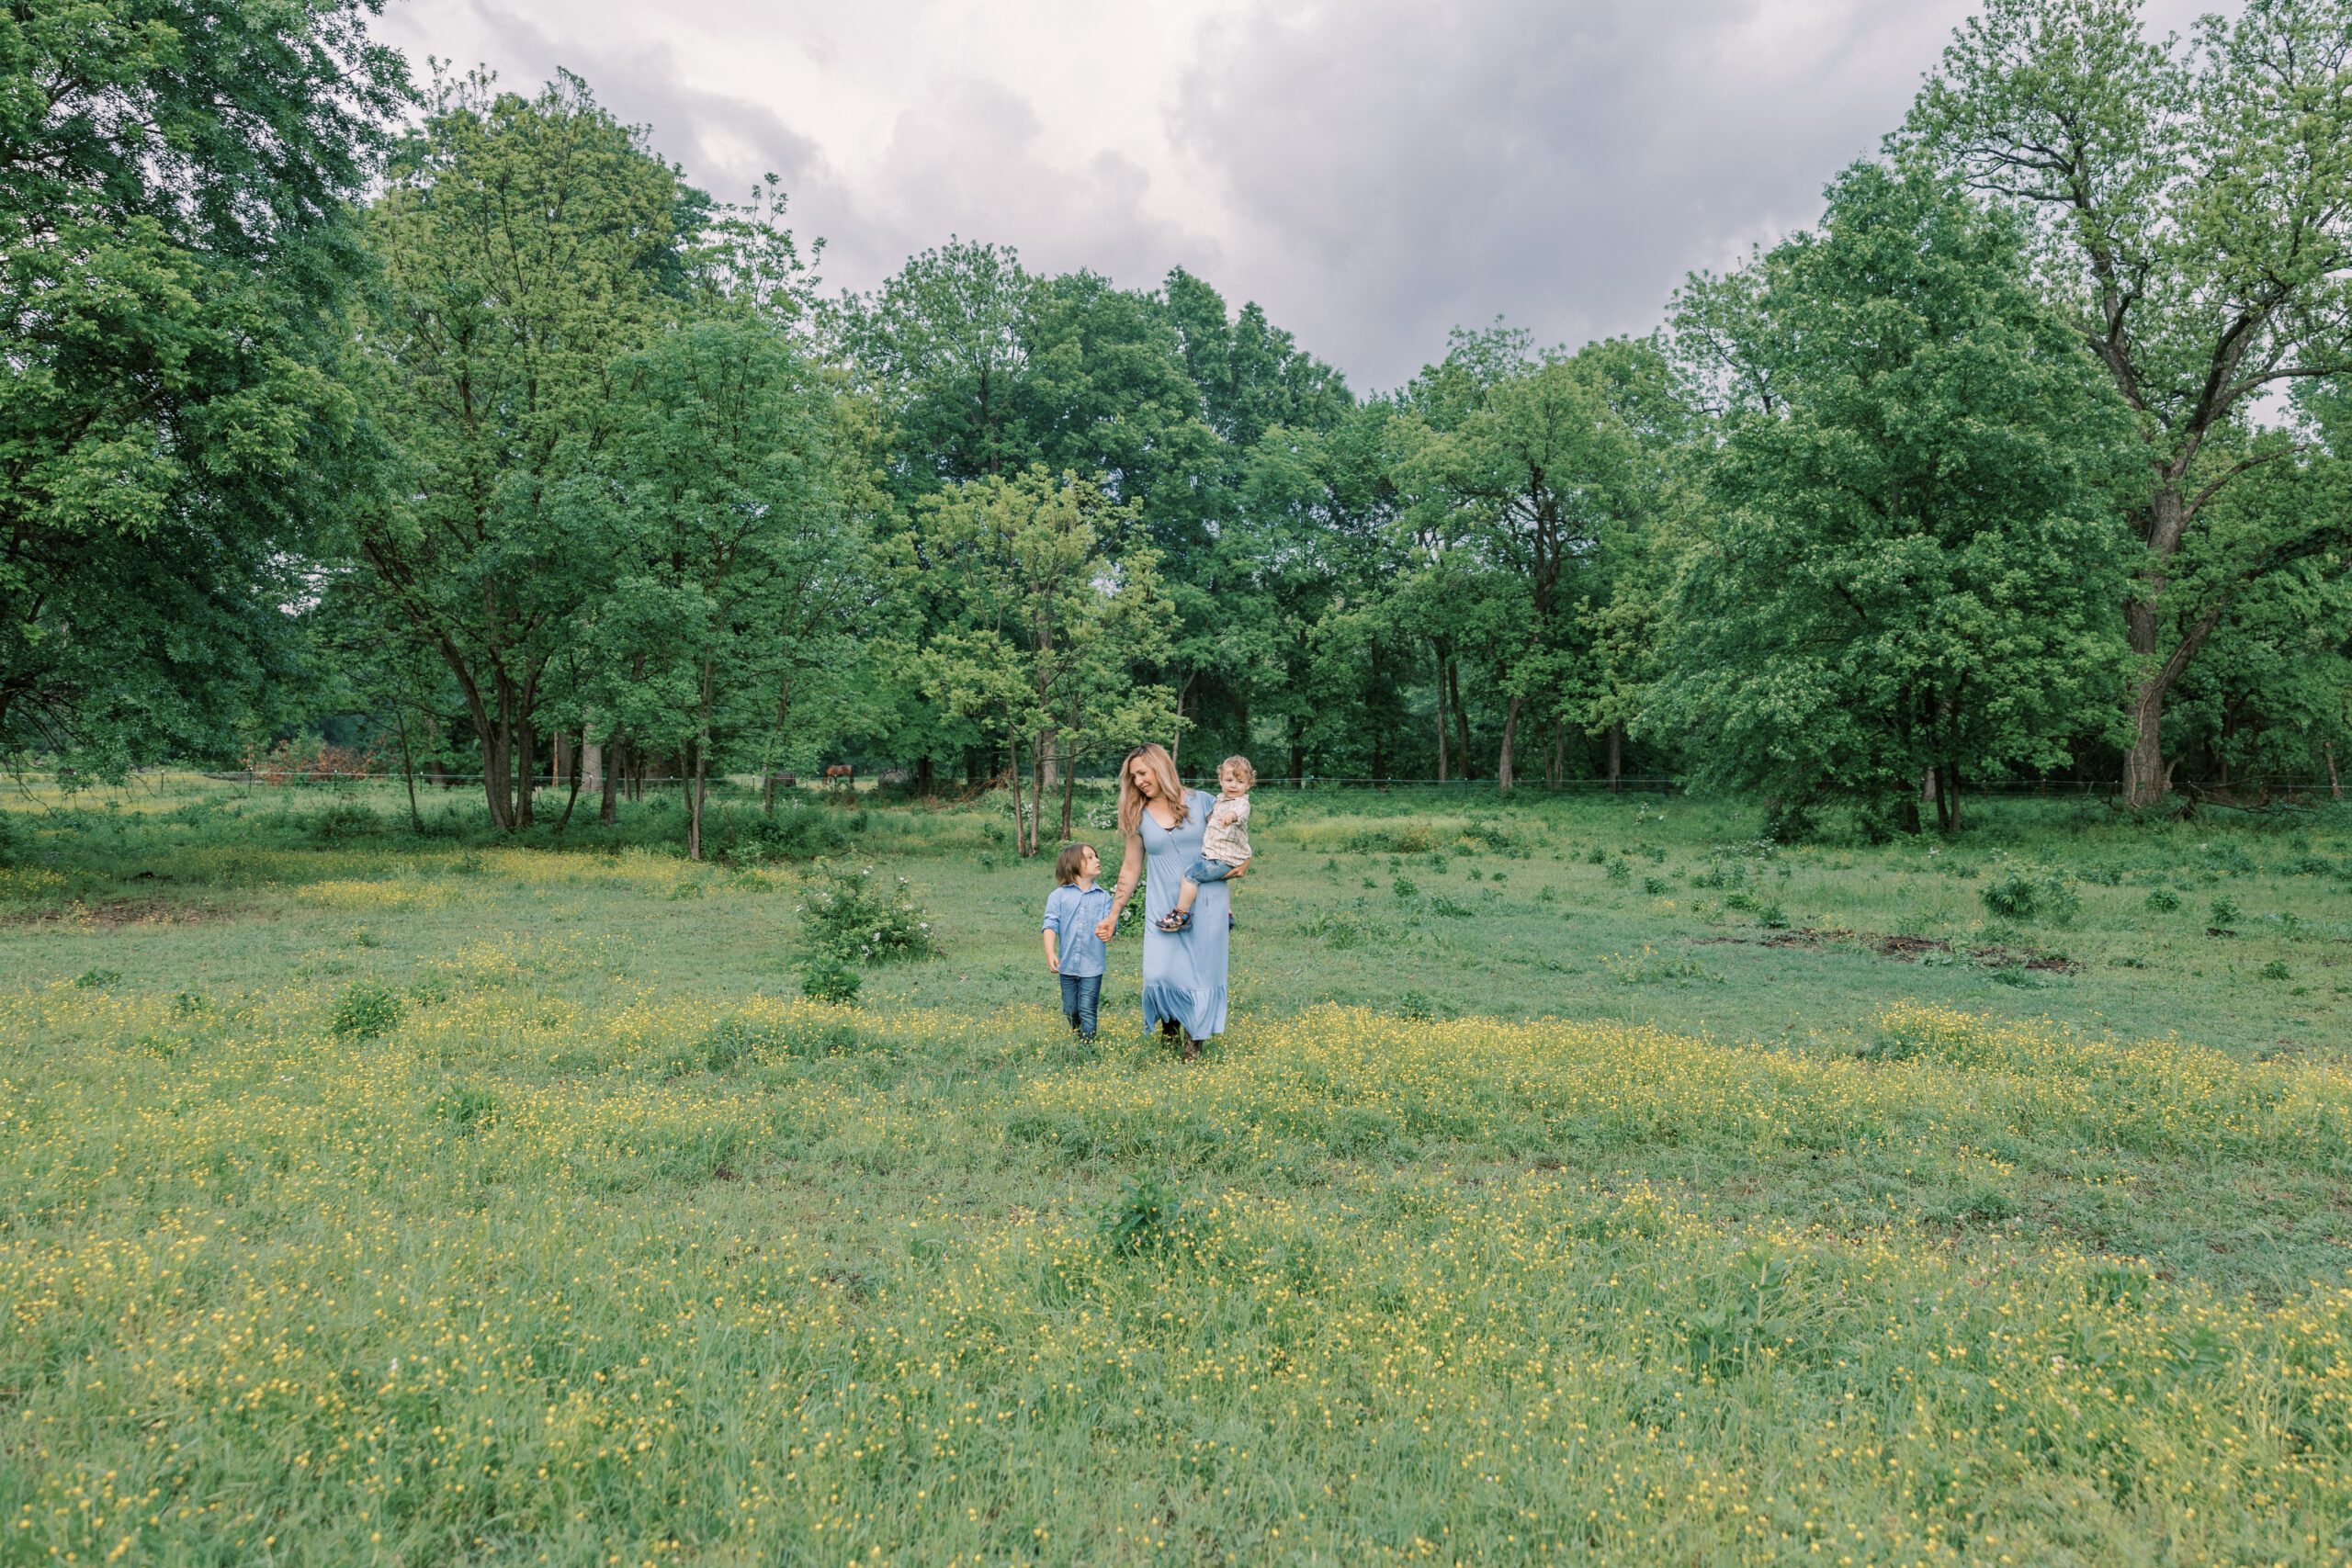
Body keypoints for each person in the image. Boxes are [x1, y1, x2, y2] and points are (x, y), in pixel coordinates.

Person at [1095, 743, 1242, 1059]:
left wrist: (1241, 864)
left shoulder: (1203, 802)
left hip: (1207, 901)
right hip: (1163, 906)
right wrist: (1113, 911)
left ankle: (1193, 1049)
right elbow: (1131, 866)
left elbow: (1231, 845)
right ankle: (1169, 1029)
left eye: (1142, 773)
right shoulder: (1137, 814)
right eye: (1133, 777)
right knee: (1160, 972)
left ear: (1160, 767)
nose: (1138, 782)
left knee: (1201, 974)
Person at [1157, 755, 1254, 931]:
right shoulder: (1220, 800)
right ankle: (1227, 914)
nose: (1233, 785)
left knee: (1190, 875)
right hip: (1220, 855)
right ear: (1220, 780)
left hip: (1222, 859)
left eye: (1239, 781)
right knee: (1216, 881)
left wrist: (1228, 818)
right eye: (1229, 780)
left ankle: (1181, 915)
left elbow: (1236, 814)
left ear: (1248, 785)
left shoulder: (1241, 804)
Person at [1041, 842, 1114, 1041]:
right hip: (1067, 966)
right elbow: (1050, 925)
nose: (1097, 860)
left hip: (1092, 966)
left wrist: (1108, 932)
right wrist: (1050, 953)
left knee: (1088, 1009)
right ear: (1073, 864)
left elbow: (1110, 924)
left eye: (1096, 856)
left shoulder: (1104, 897)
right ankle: (1078, 1034)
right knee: (1071, 1009)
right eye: (1090, 857)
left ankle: (1086, 1049)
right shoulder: (1058, 896)